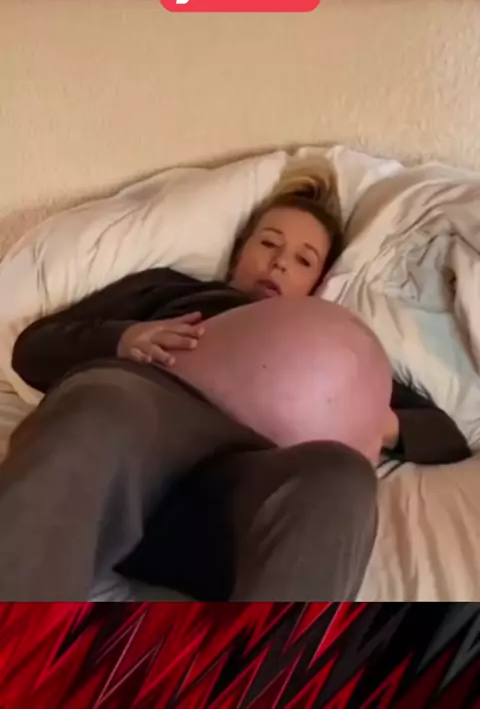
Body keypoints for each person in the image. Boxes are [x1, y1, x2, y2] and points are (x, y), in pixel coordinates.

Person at [0, 165, 470, 602]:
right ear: (240, 250)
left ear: (318, 282)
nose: (280, 263)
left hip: (242, 496)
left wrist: (373, 422)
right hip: (141, 431)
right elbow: (32, 350)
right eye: (269, 243)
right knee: (101, 400)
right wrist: (124, 338)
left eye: (303, 260)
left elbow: (445, 436)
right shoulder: (173, 288)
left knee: (341, 479)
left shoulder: (330, 347)